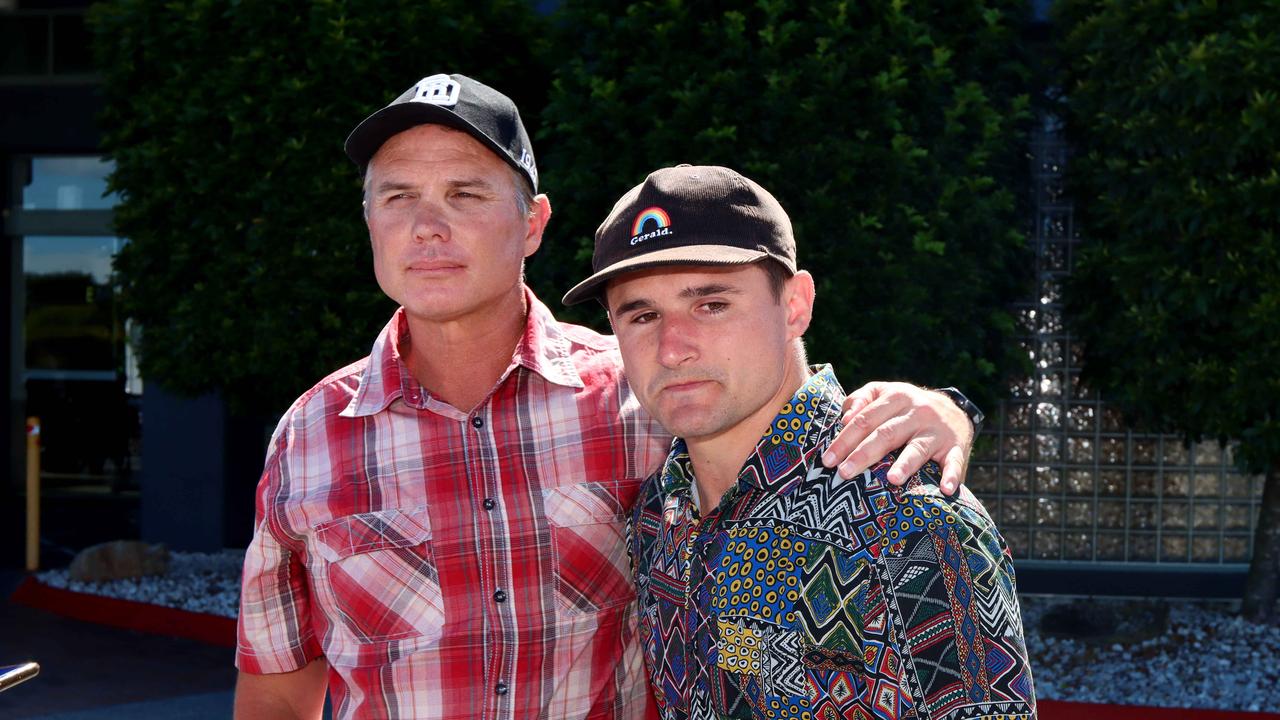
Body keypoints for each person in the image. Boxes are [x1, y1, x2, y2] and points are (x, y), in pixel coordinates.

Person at [233, 74, 983, 720]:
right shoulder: (309, 437)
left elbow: (785, 431)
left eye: (464, 193)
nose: (428, 227)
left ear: (532, 224)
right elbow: (274, 692)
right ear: (368, 220)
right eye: (397, 197)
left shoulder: (645, 398)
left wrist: (941, 409)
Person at [563, 165, 1036, 719]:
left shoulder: (910, 518)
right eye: (642, 315)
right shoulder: (654, 518)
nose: (672, 349)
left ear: (795, 306)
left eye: (710, 305)